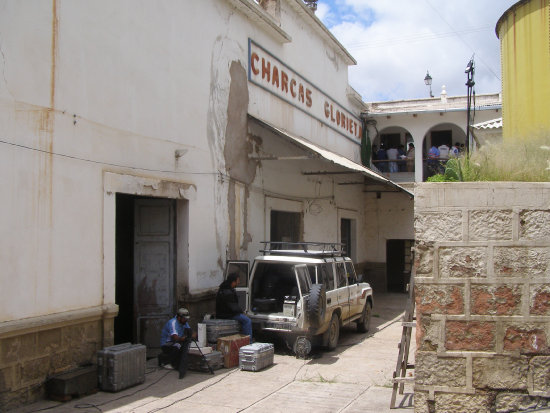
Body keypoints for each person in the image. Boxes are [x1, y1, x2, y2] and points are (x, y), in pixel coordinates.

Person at [160, 308, 196, 379]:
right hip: (167, 344)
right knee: (178, 345)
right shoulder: (173, 323)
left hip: (177, 341)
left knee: (183, 344)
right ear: (179, 317)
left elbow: (191, 332)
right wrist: (185, 338)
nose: (186, 320)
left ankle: (177, 363)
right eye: (184, 319)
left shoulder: (184, 322)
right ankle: (167, 362)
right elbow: (175, 338)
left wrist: (192, 335)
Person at [216, 273, 252, 341]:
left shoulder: (225, 289)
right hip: (226, 314)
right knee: (247, 321)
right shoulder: (227, 292)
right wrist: (242, 312)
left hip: (226, 312)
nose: (238, 282)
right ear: (233, 282)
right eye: (237, 281)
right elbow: (233, 307)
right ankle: (248, 341)